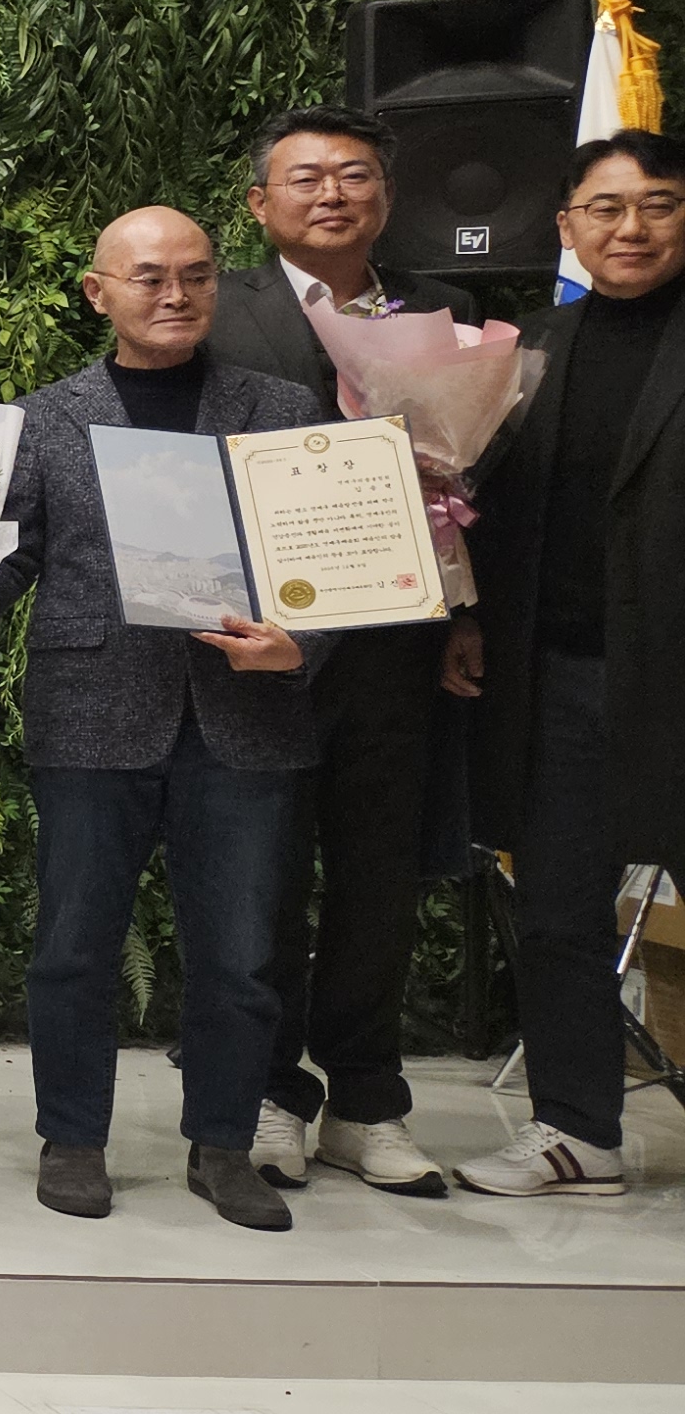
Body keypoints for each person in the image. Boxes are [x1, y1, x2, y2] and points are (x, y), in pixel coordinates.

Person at [0, 205, 324, 1231]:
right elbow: (6, 560)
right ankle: (71, 1139)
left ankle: (223, 1145)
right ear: (99, 293)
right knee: (73, 945)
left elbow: (332, 564)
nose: (175, 294)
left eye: (195, 274)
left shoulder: (282, 409)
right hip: (91, 710)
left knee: (241, 956)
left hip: (247, 714)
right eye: (148, 277)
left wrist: (303, 644)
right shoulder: (45, 418)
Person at [201, 105, 478, 1198]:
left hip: (394, 647)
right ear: (258, 202)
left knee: (379, 878)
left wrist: (466, 613)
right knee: (261, 881)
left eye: (354, 176)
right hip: (261, 646)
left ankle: (367, 1101)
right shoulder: (214, 306)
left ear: (387, 198)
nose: (331, 194)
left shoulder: (444, 313)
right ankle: (272, 1091)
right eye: (305, 177)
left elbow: (474, 483)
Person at [443, 128, 685, 1198]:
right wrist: (465, 617)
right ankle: (578, 1130)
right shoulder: (525, 350)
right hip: (559, 674)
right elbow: (481, 512)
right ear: (566, 228)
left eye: (658, 205)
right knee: (556, 911)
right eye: (605, 208)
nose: (630, 227)